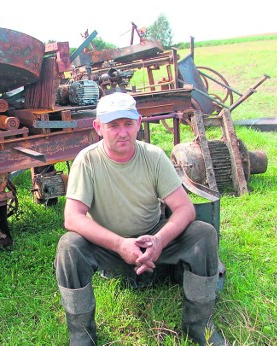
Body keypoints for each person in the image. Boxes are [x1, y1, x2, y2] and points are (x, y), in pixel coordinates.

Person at [55, 92, 227, 345]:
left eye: (128, 124)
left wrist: (158, 240)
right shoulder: (87, 160)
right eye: (113, 125)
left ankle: (198, 324)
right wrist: (119, 244)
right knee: (69, 246)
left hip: (151, 237)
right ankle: (82, 333)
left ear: (138, 123)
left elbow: (185, 209)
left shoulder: (154, 156)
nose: (122, 132)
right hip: (109, 246)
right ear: (98, 127)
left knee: (203, 233)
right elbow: (72, 218)